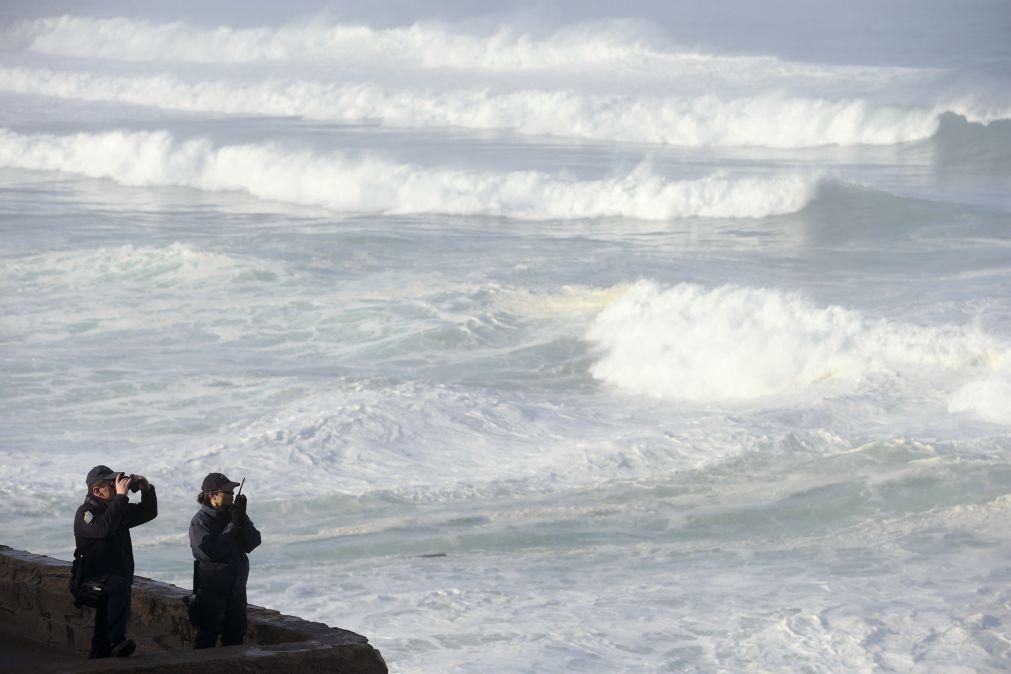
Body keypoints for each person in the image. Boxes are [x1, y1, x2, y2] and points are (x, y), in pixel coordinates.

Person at [72, 465, 157, 659]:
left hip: (113, 579)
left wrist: (147, 489)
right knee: (118, 587)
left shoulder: (116, 510)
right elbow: (104, 529)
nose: (118, 486)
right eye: (112, 484)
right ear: (97, 491)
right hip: (92, 580)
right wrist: (121, 497)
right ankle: (116, 641)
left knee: (101, 632)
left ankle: (101, 656)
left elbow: (148, 512)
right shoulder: (85, 514)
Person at [189, 472, 261, 649]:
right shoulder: (200, 522)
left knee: (235, 635)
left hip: (236, 589)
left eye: (232, 492)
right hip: (212, 590)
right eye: (228, 492)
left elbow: (252, 543)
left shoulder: (234, 516)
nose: (232, 496)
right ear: (213, 496)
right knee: (207, 637)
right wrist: (233, 526)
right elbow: (212, 552)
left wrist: (242, 519)